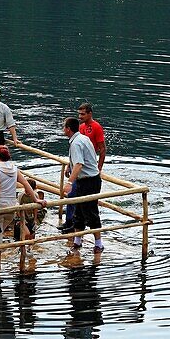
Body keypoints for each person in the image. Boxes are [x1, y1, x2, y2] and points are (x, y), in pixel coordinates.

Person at [0, 145, 44, 273]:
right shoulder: (14, 168)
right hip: (11, 206)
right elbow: (26, 184)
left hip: (0, 206)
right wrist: (36, 199)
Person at [60, 103, 107, 233]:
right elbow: (78, 155)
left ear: (90, 113)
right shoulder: (80, 131)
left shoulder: (96, 128)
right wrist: (70, 164)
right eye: (79, 114)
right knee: (74, 201)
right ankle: (71, 224)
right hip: (81, 171)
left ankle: (96, 241)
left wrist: (99, 168)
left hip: (87, 173)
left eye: (83, 114)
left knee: (88, 208)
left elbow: (102, 149)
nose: (80, 116)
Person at [62, 118, 103, 251]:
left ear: (68, 129)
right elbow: (80, 159)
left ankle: (99, 244)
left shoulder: (76, 143)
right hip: (88, 179)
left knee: (91, 212)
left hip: (89, 180)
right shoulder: (83, 138)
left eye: (64, 127)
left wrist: (69, 182)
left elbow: (79, 164)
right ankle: (77, 241)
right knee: (78, 211)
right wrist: (70, 165)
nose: (63, 129)